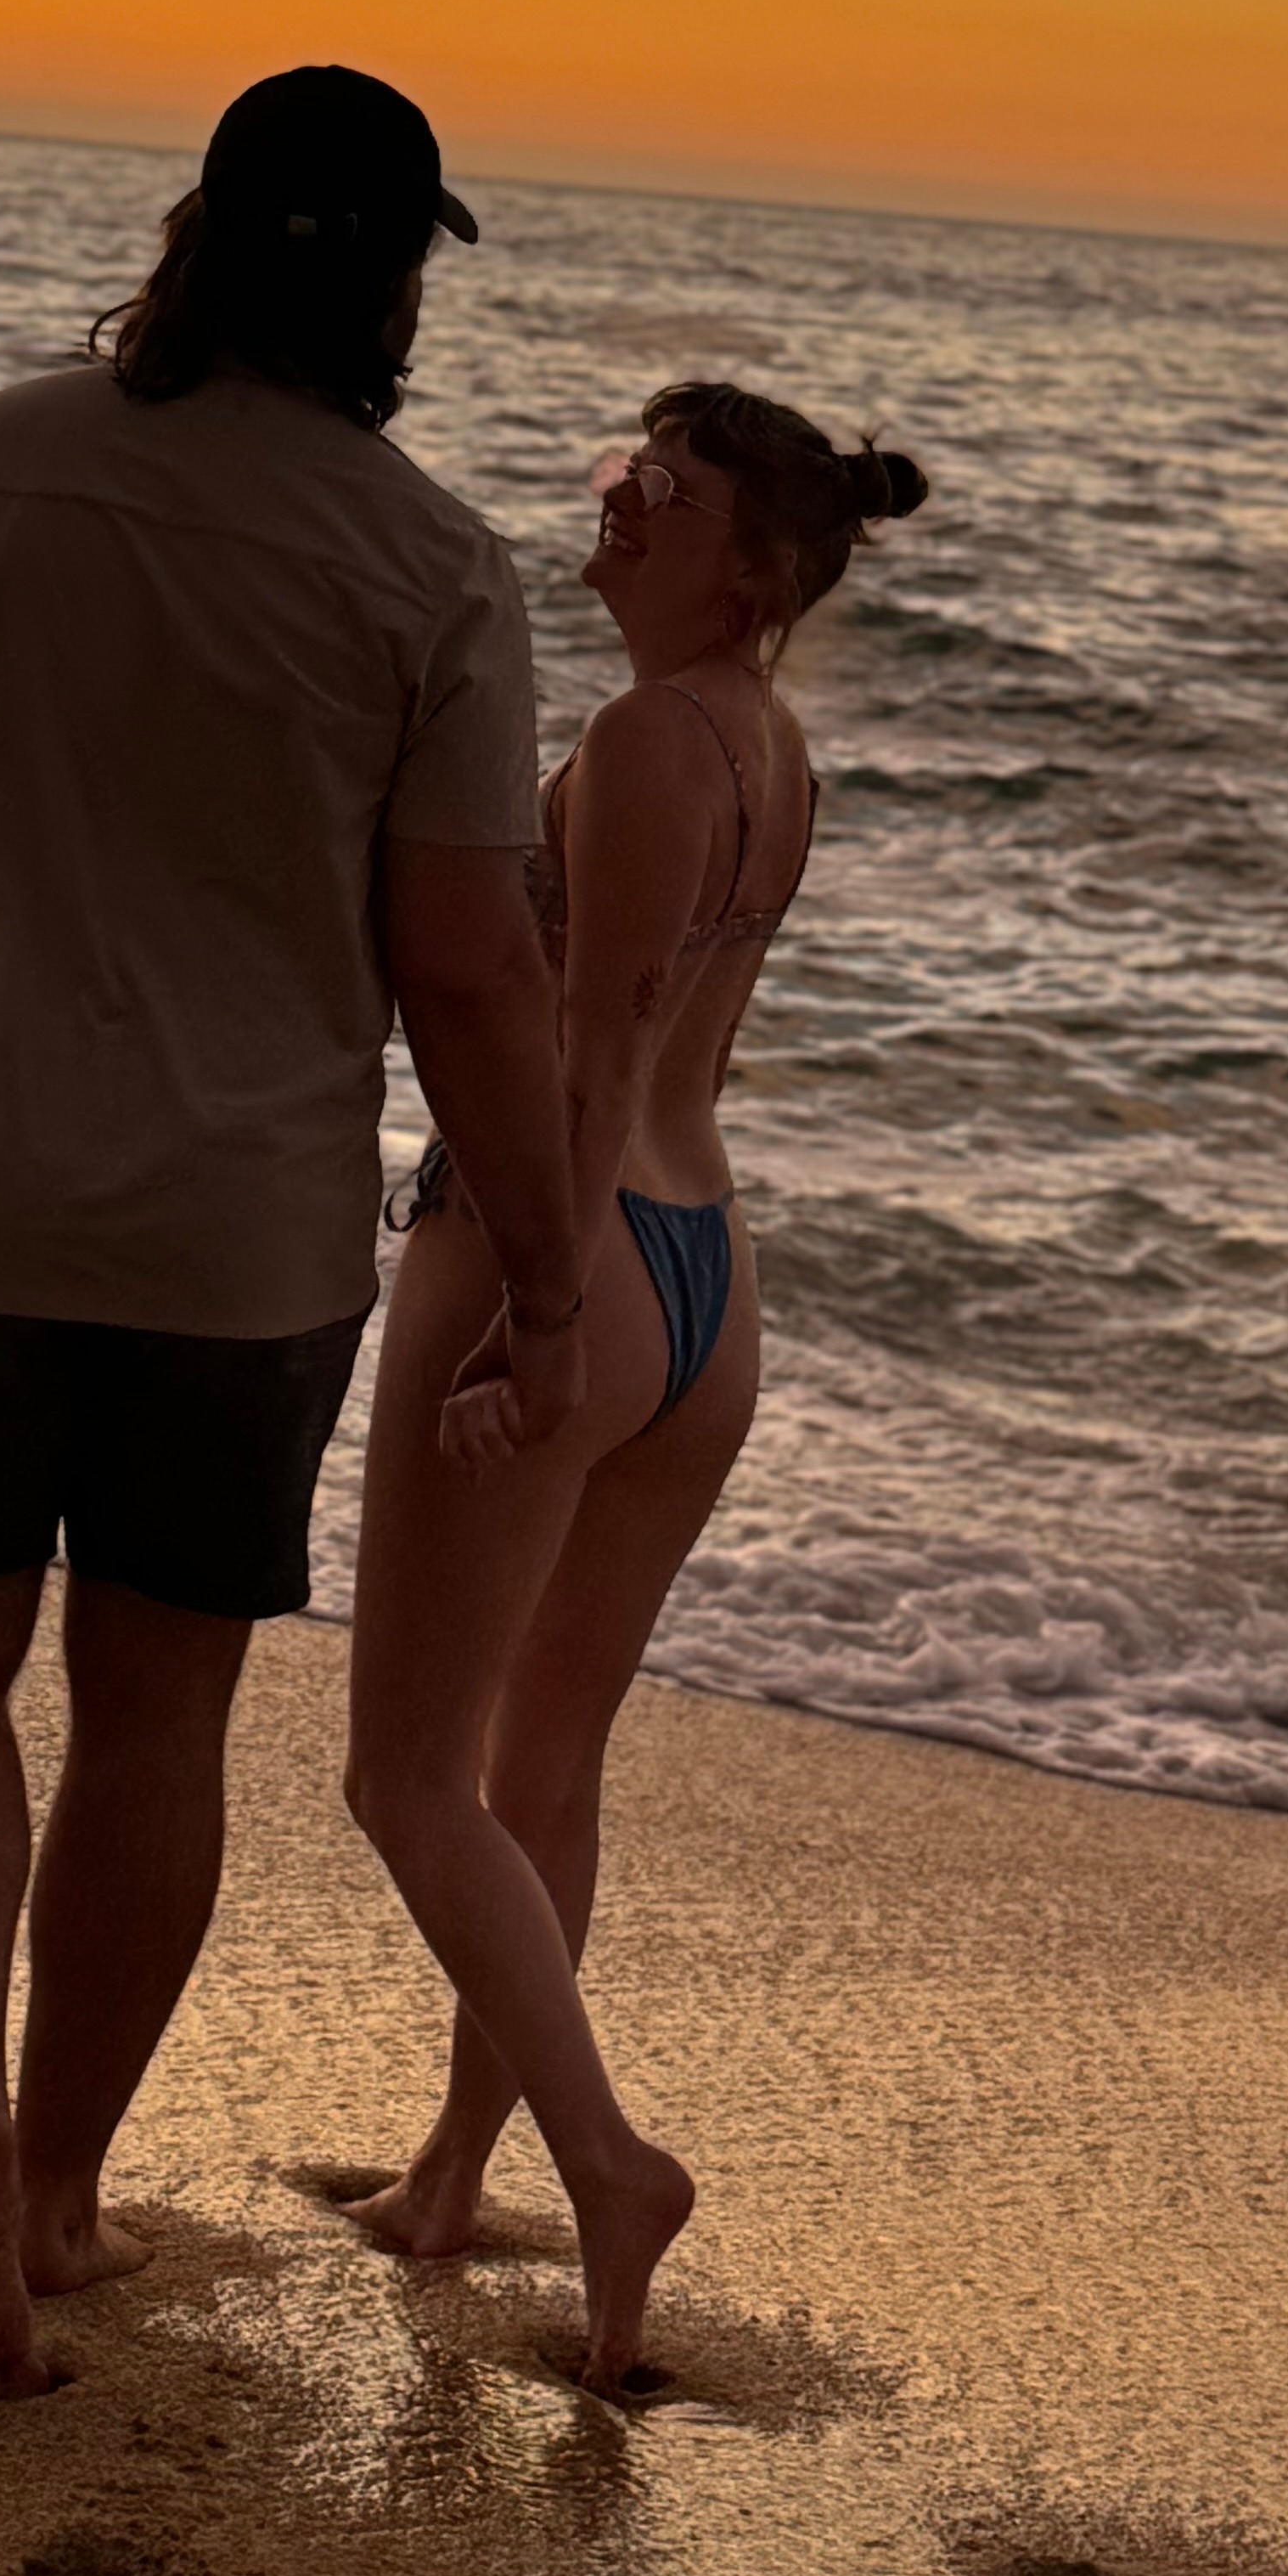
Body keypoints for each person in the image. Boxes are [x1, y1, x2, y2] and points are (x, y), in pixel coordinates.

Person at [0, 68, 586, 2398]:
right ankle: (52, 2199)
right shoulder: (430, 571)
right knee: (155, 1715)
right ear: (404, 278)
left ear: (197, 228)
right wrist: (544, 1255)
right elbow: (467, 965)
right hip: (237, 1249)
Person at [339, 386, 931, 2387]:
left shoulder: (648, 739)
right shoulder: (774, 746)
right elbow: (679, 1033)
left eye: (658, 494)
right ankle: (448, 2176)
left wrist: (541, 1305)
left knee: (405, 1776)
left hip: (580, 1250)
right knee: (546, 1769)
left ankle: (605, 2160)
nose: (613, 502)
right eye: (621, 471)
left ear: (749, 565)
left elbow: (586, 1057)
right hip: (710, 1271)